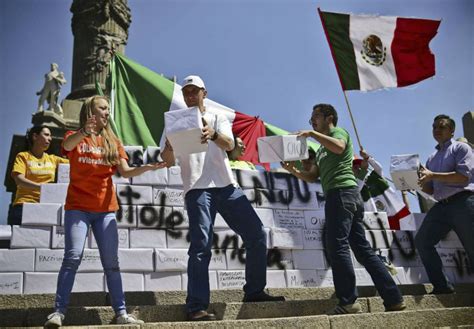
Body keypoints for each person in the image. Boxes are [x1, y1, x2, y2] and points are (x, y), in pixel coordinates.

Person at [160, 75, 284, 321]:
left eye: (194, 91)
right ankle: (196, 306)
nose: (189, 96)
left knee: (257, 234)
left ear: (204, 93)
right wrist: (172, 145)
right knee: (201, 246)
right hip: (196, 189)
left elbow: (229, 145)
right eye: (186, 93)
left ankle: (254, 291)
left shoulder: (218, 117)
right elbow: (167, 160)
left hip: (226, 185)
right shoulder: (174, 122)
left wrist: (213, 133)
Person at [45, 96, 167, 327]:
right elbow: (68, 147)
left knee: (111, 263)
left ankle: (121, 313)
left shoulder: (112, 140)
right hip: (78, 208)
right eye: (102, 108)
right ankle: (58, 313)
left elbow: (126, 171)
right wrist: (84, 131)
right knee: (72, 257)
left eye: (108, 109)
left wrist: (150, 167)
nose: (106, 112)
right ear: (90, 110)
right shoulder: (74, 137)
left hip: (105, 210)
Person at [281, 103, 405, 314]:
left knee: (337, 247)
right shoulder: (321, 149)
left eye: (316, 117)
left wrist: (311, 133)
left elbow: (338, 146)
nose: (312, 122)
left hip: (342, 195)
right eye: (310, 119)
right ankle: (393, 299)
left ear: (329, 118)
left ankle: (348, 302)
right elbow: (312, 176)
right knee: (363, 250)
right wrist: (293, 171)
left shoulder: (339, 133)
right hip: (344, 197)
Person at [415, 114, 474, 294]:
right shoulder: (431, 158)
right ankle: (442, 287)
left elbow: (463, 176)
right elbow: (431, 190)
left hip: (463, 202)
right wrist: (415, 181)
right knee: (423, 241)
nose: (436, 130)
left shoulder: (461, 148)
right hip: (442, 207)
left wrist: (432, 175)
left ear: (451, 131)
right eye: (434, 127)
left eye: (441, 127)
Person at [9, 126, 69, 225]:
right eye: (46, 135)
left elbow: (75, 163)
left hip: (45, 207)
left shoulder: (53, 159)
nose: (50, 138)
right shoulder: (23, 156)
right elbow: (19, 179)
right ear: (35, 136)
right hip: (23, 206)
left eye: (50, 136)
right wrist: (42, 188)